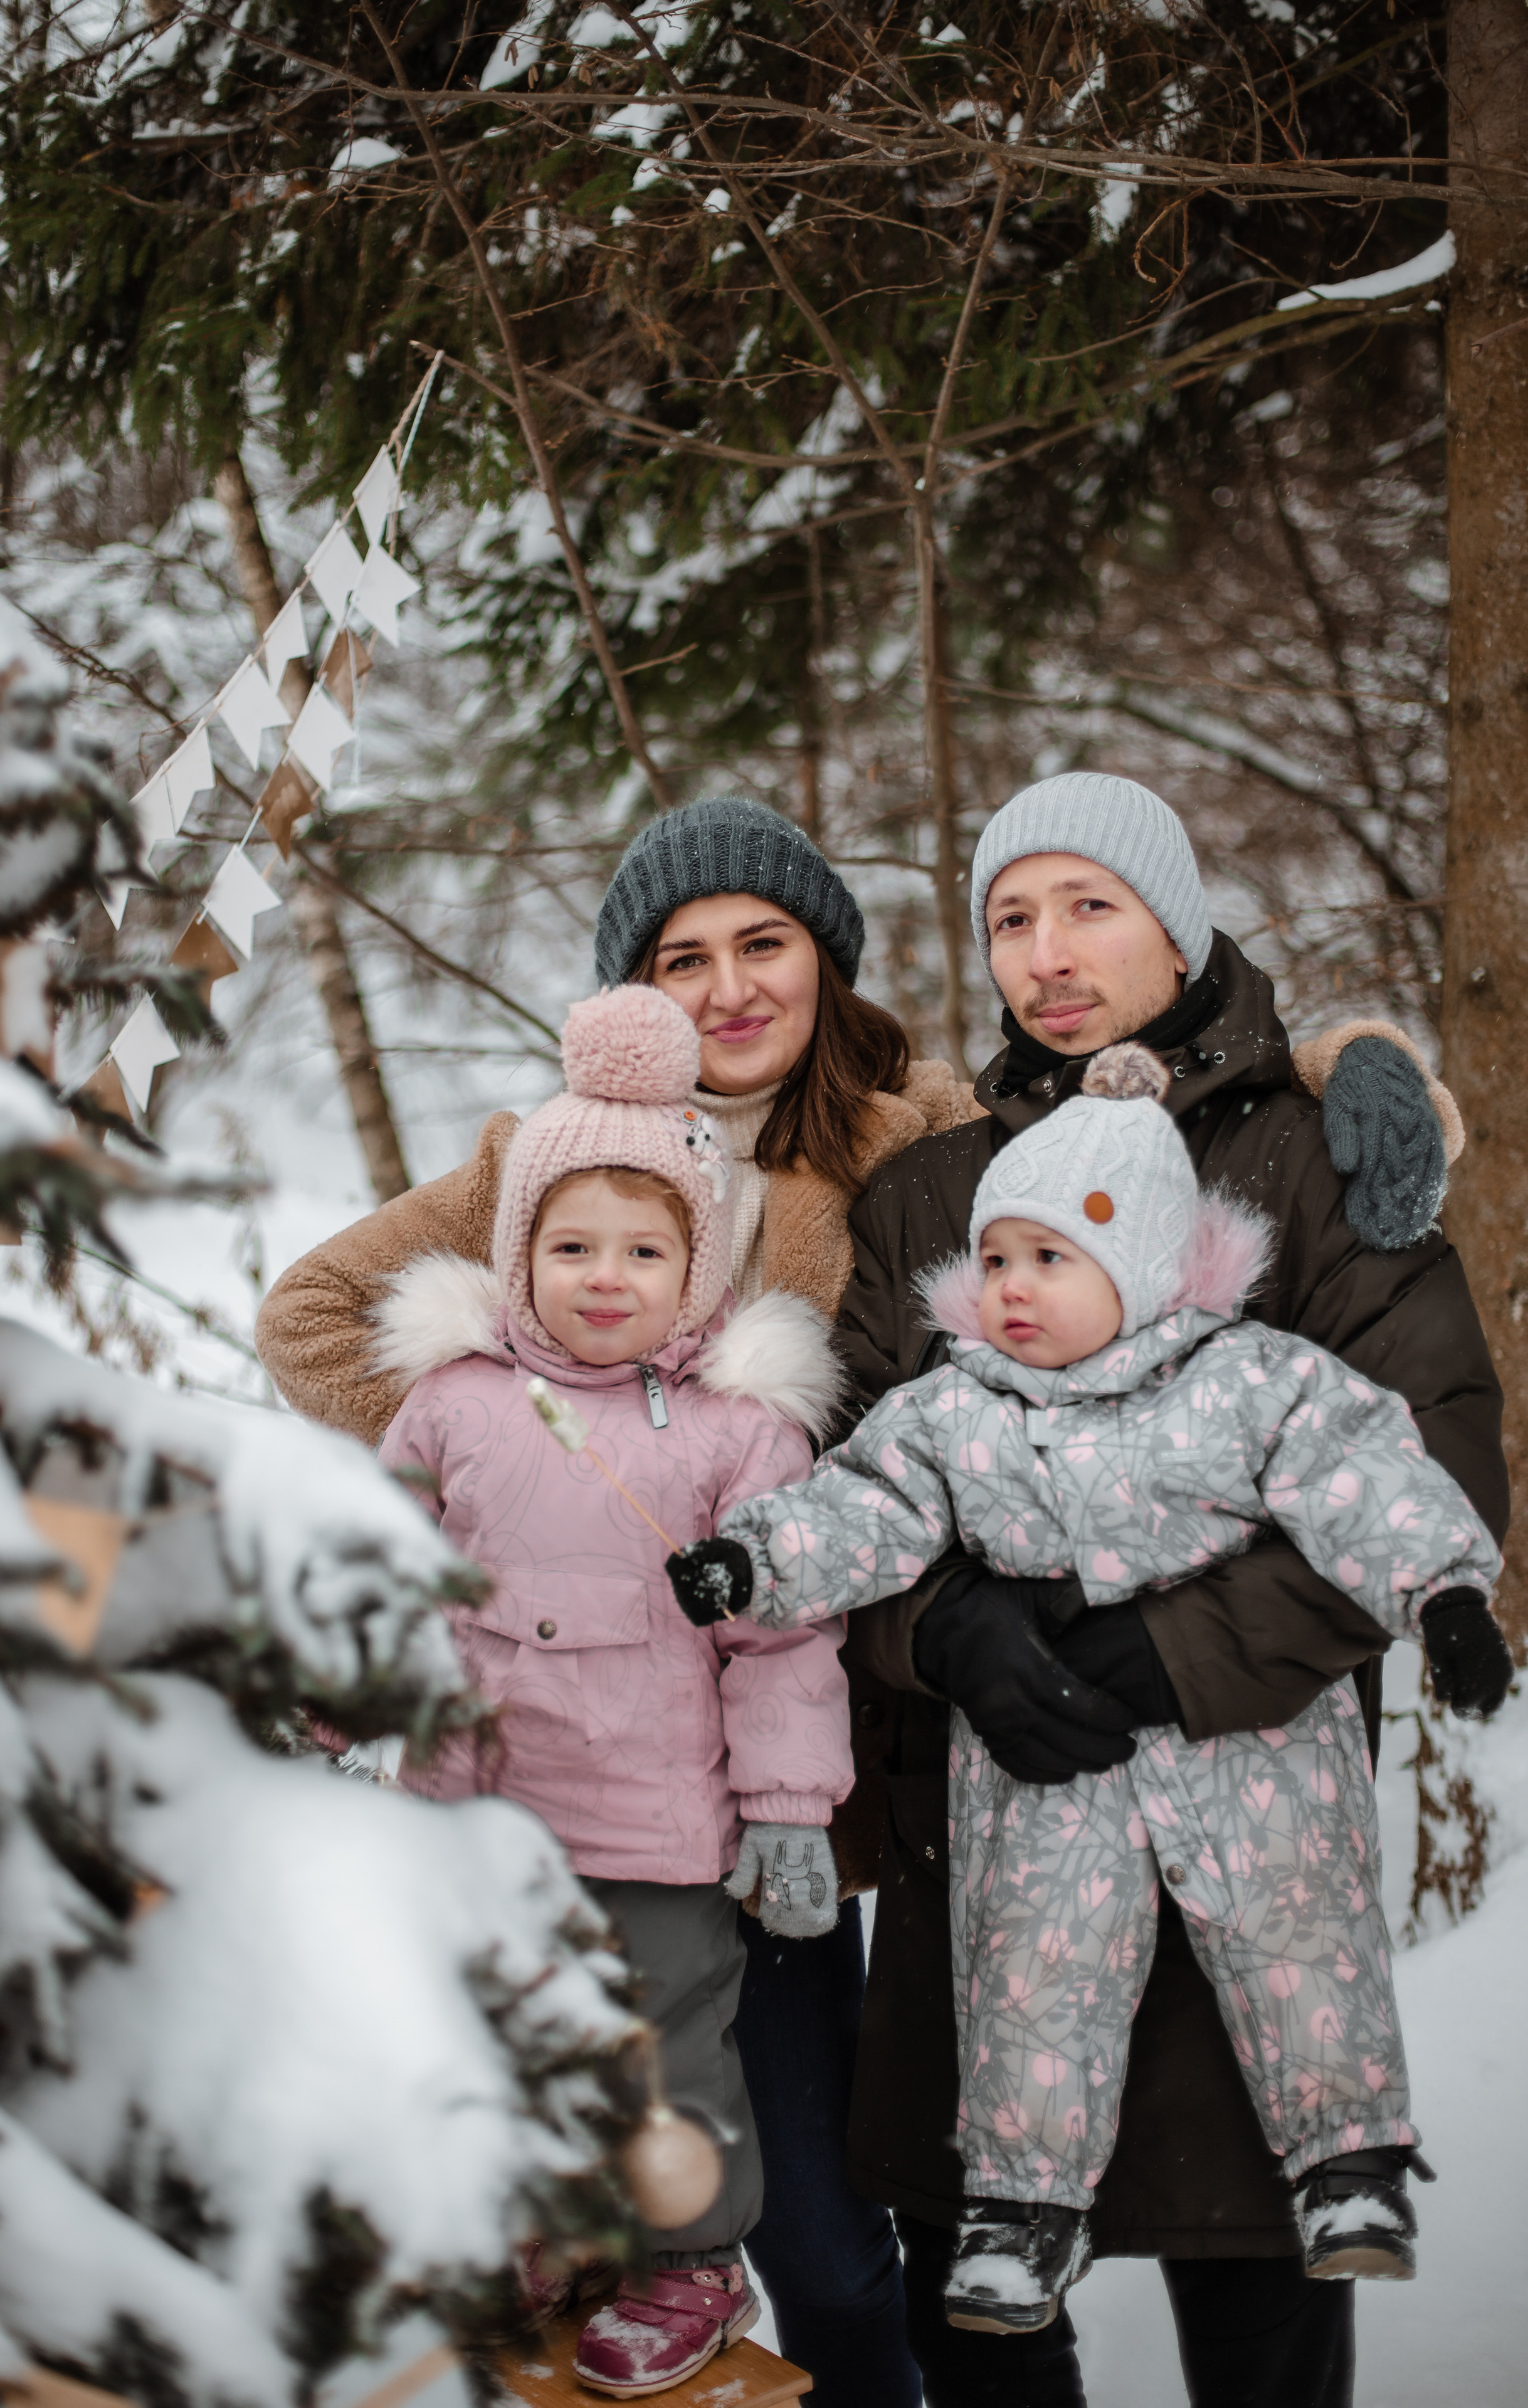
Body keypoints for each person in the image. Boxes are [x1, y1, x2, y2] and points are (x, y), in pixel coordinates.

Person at [254, 789, 1462, 2407]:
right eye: (682, 956)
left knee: (1028, 2243)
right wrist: (546, 1431)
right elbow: (327, 1321)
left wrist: (1359, 1062)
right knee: (883, 2225)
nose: (730, 986)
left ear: (831, 965)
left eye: (768, 944)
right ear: (632, 993)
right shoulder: (559, 1167)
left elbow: (1160, 1106)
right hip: (677, 1745)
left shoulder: (914, 1138)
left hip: (905, 1758)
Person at [830, 772, 1509, 2408]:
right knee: (980, 2313)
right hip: (983, 1826)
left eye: (1092, 906)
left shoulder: (1328, 1159)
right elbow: (840, 1479)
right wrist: (938, 1630)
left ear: (1178, 919)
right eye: (1011, 916)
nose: (1048, 953)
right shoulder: (932, 1202)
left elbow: (1425, 1458)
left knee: (1260, 2300)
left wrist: (1175, 1647)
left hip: (1249, 1806)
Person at [666, 1039, 1511, 2337]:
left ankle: (1350, 2160)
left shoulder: (1248, 1381)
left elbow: (1364, 1476)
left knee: (1299, 1942)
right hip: (1042, 1764)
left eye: (1047, 1261)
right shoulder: (955, 1410)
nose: (1009, 1289)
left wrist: (1444, 1593)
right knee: (1029, 1972)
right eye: (995, 1258)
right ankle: (1020, 2205)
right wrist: (752, 1560)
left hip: (1250, 1753)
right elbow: (862, 1509)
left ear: (1140, 1269)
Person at [376, 980, 853, 2396]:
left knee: (660, 2051)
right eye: (570, 1243)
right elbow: (381, 1574)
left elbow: (781, 1639)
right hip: (481, 1812)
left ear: (698, 1267)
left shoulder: (736, 1434)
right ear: (518, 1252)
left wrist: (784, 1809)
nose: (603, 1274)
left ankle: (687, 2259)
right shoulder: (454, 1403)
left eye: (643, 1248)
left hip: (655, 1821)